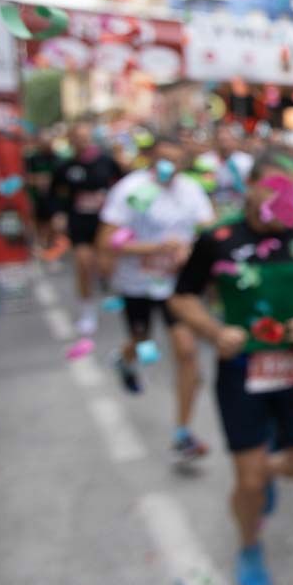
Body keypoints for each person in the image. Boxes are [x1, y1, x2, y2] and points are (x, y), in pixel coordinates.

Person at [170, 150, 293, 585]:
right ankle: (249, 544)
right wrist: (213, 330)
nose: (285, 204)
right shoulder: (217, 238)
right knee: (247, 481)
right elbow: (182, 298)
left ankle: (261, 474)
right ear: (250, 188)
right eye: (275, 191)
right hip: (242, 370)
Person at [97, 135, 214, 461]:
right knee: (141, 338)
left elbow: (209, 230)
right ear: (149, 158)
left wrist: (191, 250)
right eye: (162, 158)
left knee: (187, 352)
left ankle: (183, 434)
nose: (168, 166)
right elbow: (108, 241)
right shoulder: (129, 190)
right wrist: (154, 248)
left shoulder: (190, 190)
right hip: (137, 283)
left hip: (177, 287)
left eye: (175, 160)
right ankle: (125, 358)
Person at [50, 121, 125, 336]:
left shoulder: (106, 161)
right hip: (80, 222)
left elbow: (124, 184)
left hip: (105, 223)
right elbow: (55, 193)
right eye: (78, 137)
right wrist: (59, 214)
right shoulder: (65, 167)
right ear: (71, 140)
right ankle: (87, 311)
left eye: (86, 137)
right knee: (83, 264)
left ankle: (107, 284)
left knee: (104, 265)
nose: (82, 141)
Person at [197, 124, 254, 221]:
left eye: (228, 140)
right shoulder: (204, 161)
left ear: (236, 141)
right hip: (213, 208)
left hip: (240, 207)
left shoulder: (246, 161)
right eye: (221, 140)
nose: (225, 144)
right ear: (215, 141)